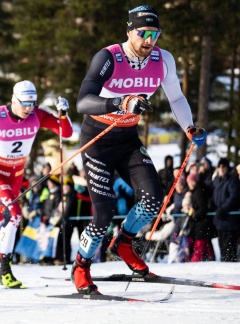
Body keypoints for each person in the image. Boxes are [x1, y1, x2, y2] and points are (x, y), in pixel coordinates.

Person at [72, 5, 207, 295]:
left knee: (152, 200)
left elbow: (177, 98)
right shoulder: (109, 56)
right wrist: (120, 102)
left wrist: (189, 127)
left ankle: (123, 244)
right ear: (129, 31)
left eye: (154, 34)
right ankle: (82, 265)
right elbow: (83, 101)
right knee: (104, 212)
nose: (149, 40)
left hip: (127, 139)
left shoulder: (163, 59)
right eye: (143, 33)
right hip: (97, 140)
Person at [0, 80, 72, 288]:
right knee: (14, 214)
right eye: (24, 104)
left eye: (32, 103)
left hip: (15, 177)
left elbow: (64, 133)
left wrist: (63, 115)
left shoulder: (37, 114)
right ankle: (5, 270)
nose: (29, 108)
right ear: (14, 99)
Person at [211, 158, 240, 262]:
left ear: (228, 168)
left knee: (230, 250)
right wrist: (212, 204)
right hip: (220, 221)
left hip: (230, 221)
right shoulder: (217, 181)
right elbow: (214, 195)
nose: (221, 168)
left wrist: (223, 208)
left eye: (223, 166)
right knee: (222, 249)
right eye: (219, 166)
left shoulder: (233, 179)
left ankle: (231, 269)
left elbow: (234, 196)